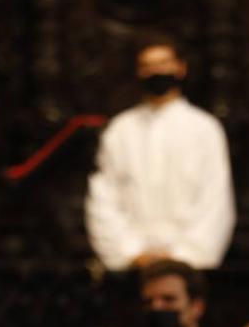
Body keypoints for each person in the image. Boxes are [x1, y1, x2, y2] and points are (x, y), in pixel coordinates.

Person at [85, 32, 235, 270]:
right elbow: (104, 197)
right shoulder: (120, 130)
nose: (156, 72)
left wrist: (183, 255)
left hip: (189, 264)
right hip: (132, 263)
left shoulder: (204, 128)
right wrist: (132, 252)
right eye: (148, 66)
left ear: (180, 68)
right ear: (138, 72)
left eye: (163, 63)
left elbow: (215, 197)